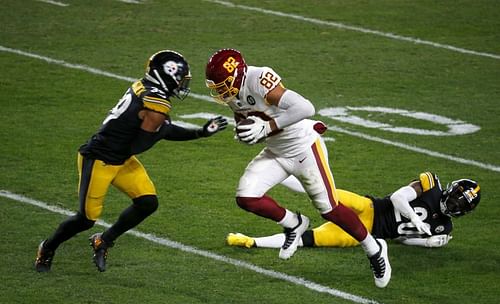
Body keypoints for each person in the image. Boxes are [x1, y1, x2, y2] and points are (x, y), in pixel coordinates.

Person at [205, 48, 391, 288]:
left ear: (238, 75)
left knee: (328, 208)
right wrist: (247, 133)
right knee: (246, 197)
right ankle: (293, 223)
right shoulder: (233, 93)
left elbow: (305, 108)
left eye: (222, 84)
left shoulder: (260, 80)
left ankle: (374, 248)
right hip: (276, 152)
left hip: (304, 149)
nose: (220, 91)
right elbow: (247, 118)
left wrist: (266, 128)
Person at [35, 50, 228, 273]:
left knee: (147, 203)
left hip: (121, 157)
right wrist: (169, 130)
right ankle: (47, 248)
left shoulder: (145, 87)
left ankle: (103, 240)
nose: (181, 85)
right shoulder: (156, 103)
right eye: (180, 79)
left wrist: (199, 133)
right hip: (100, 158)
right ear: (168, 76)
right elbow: (141, 145)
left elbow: (159, 130)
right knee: (86, 219)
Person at [227, 172, 481, 249]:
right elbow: (398, 197)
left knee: (309, 240)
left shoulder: (443, 229)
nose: (455, 204)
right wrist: (415, 217)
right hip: (368, 206)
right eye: (457, 198)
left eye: (461, 205)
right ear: (451, 189)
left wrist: (425, 243)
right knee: (320, 189)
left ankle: (252, 241)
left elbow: (401, 238)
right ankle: (273, 173)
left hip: (365, 233)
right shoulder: (431, 186)